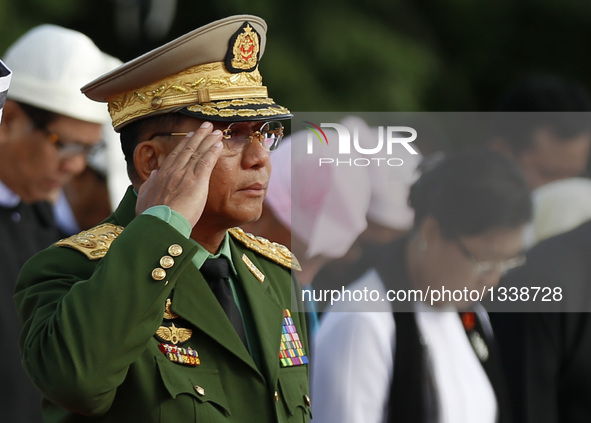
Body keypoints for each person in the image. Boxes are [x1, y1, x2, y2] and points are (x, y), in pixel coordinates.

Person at [14, 15, 311, 423]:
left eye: (265, 133)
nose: (259, 157)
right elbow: (77, 381)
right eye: (230, 135)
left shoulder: (275, 273)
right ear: (151, 161)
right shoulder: (69, 269)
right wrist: (164, 224)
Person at [311, 149, 532, 423]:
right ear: (431, 231)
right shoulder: (363, 322)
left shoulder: (470, 317)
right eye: (484, 263)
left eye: (505, 264)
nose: (493, 279)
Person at [0, 25, 118, 423]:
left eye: (89, 149)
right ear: (8, 120)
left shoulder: (49, 233)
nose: (77, 165)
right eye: (65, 144)